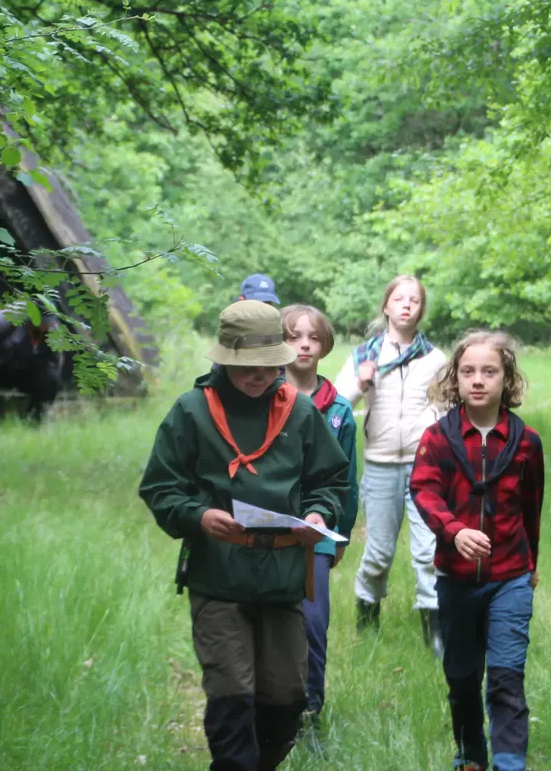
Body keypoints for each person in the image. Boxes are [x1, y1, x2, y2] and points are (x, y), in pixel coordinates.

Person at [138, 299, 350, 771]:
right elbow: (160, 486)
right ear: (224, 360)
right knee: (232, 699)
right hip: (219, 579)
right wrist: (197, 516)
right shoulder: (192, 411)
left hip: (282, 579)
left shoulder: (298, 411)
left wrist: (318, 514)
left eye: (268, 367)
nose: (259, 377)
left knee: (285, 702)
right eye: (246, 367)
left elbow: (332, 480)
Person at [410, 331, 545, 771]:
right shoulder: (437, 438)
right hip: (456, 579)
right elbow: (424, 491)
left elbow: (531, 508)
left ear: (507, 379)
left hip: (511, 577)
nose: (478, 380)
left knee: (506, 677)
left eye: (490, 371)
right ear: (455, 378)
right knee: (463, 678)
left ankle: (510, 764)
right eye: (468, 371)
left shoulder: (526, 442)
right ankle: (470, 756)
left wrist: (532, 566)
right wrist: (454, 531)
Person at [333, 275, 448, 655]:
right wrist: (361, 383)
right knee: (379, 551)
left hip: (424, 467)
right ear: (386, 306)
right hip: (381, 466)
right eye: (399, 299)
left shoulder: (435, 358)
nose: (406, 305)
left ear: (420, 310)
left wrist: (432, 423)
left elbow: (448, 405)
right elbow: (336, 404)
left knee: (428, 551)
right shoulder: (365, 355)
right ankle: (367, 619)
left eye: (414, 300)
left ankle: (434, 633)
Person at [279, 304, 359, 731]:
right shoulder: (263, 398)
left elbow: (346, 478)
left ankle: (311, 705)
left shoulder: (339, 409)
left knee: (313, 619)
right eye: (293, 335)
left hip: (319, 532)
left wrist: (338, 535)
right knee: (274, 616)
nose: (304, 344)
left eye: (312, 336)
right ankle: (273, 702)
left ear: (325, 344)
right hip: (267, 528)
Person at [0, 306, 63, 421]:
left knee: (51, 380)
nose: (42, 327)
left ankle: (33, 419)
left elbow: (56, 362)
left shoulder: (54, 330)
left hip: (30, 370)